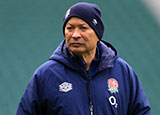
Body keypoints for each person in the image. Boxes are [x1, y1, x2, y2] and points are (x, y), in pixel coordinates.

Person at [17, 2, 151, 115]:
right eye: (70, 28)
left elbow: (141, 111)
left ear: (98, 34)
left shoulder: (122, 72)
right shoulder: (46, 75)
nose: (75, 34)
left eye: (83, 28)